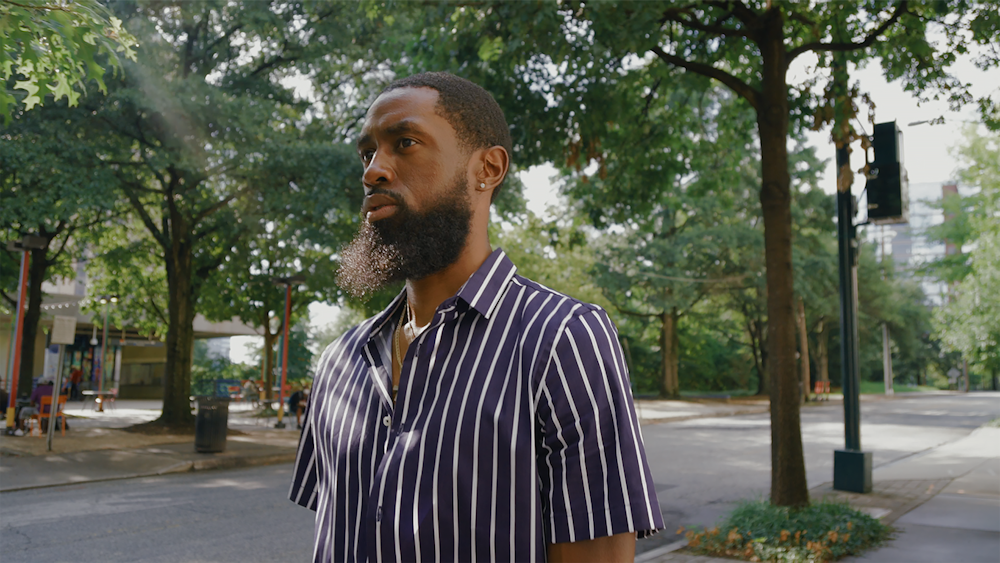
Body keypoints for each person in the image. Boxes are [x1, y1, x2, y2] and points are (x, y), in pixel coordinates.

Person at [289, 72, 663, 563]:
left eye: (404, 143)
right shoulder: (341, 361)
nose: (373, 171)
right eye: (367, 153)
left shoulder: (564, 337)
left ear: (486, 168)